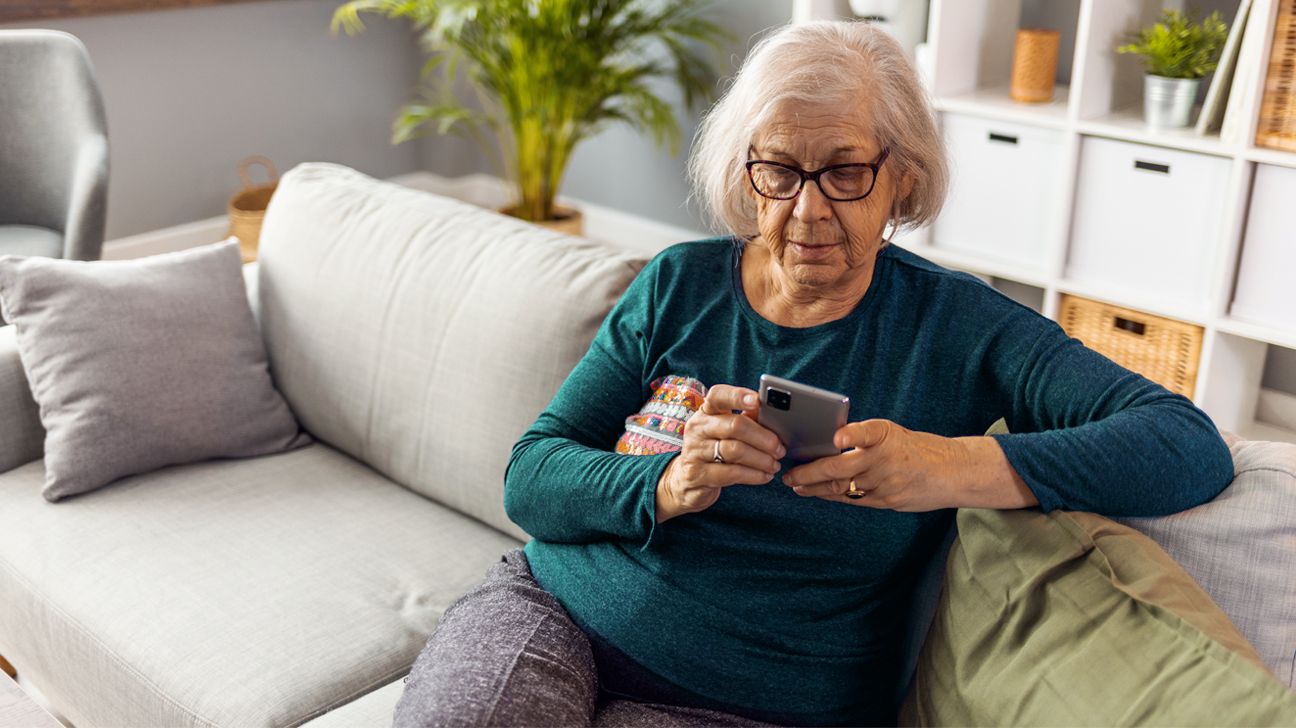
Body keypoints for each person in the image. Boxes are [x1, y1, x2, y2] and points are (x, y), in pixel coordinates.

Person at [393, 19, 1234, 728]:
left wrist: (948, 467)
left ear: (900, 178)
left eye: (843, 170)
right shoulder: (677, 284)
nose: (807, 209)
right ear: (746, 173)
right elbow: (530, 477)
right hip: (552, 614)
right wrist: (666, 483)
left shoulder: (961, 328)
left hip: (750, 703)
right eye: (780, 171)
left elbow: (1187, 443)